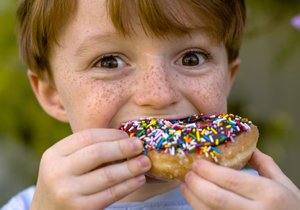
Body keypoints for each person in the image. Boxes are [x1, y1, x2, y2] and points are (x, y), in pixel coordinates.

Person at [2, 0, 300, 209]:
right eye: (109, 62)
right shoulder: (34, 205)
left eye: (191, 58)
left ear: (227, 77)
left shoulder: (265, 201)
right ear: (52, 94)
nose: (158, 95)